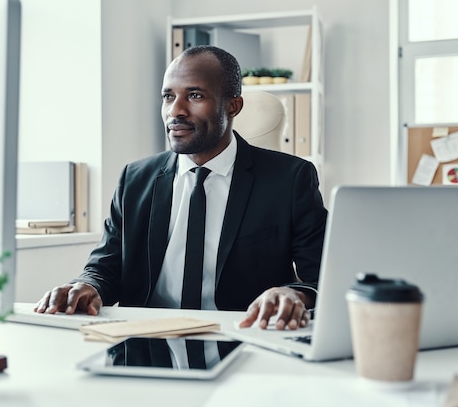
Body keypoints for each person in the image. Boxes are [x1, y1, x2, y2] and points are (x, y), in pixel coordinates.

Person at [34, 45, 327, 330]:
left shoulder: (289, 179)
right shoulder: (135, 179)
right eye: (168, 96)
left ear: (234, 105)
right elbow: (105, 268)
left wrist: (294, 294)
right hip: (147, 344)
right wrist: (86, 286)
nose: (176, 111)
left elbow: (323, 277)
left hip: (244, 338)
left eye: (195, 95)